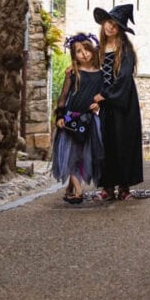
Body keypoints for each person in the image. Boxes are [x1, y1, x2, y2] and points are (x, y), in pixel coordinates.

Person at [91, 4, 144, 201]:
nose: (110, 27)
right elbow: (92, 72)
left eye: (115, 24)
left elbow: (124, 77)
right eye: (108, 22)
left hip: (123, 102)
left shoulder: (126, 49)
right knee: (105, 143)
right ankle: (107, 187)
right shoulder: (99, 50)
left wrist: (105, 94)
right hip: (106, 105)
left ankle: (124, 187)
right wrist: (75, 69)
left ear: (120, 28)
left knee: (124, 142)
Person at [51, 33, 105, 204]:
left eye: (87, 50)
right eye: (79, 52)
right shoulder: (73, 73)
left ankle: (69, 190)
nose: (84, 54)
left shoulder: (100, 74)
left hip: (89, 120)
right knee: (72, 155)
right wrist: (60, 115)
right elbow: (64, 95)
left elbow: (102, 97)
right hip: (71, 119)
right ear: (74, 56)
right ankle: (79, 192)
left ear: (93, 50)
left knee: (82, 155)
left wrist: (99, 105)